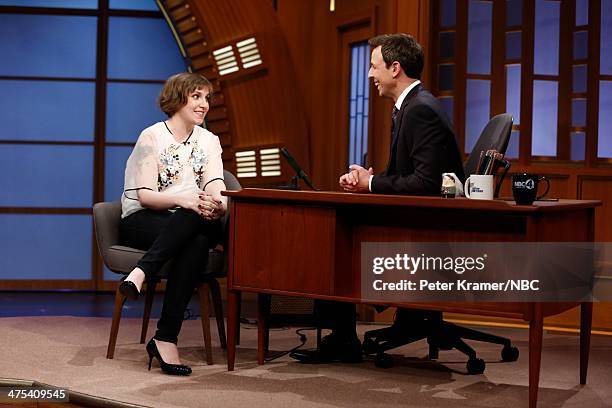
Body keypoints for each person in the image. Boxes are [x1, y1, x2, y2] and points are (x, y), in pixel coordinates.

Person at [290, 33, 464, 364]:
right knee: (338, 228)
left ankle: (343, 340)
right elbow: (410, 175)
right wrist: (367, 180)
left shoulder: (419, 110)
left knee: (334, 240)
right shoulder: (410, 106)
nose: (370, 75)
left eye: (374, 66)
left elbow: (427, 184)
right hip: (415, 219)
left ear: (395, 68)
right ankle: (350, 334)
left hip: (426, 230)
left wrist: (373, 184)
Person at [118, 72, 227, 376]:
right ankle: (165, 338)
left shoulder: (209, 140)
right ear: (178, 98)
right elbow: (146, 196)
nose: (204, 104)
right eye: (196, 96)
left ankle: (142, 272)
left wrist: (217, 205)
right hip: (144, 217)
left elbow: (215, 183)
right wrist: (188, 200)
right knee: (194, 230)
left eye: (207, 97)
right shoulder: (152, 136)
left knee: (196, 229)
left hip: (189, 220)